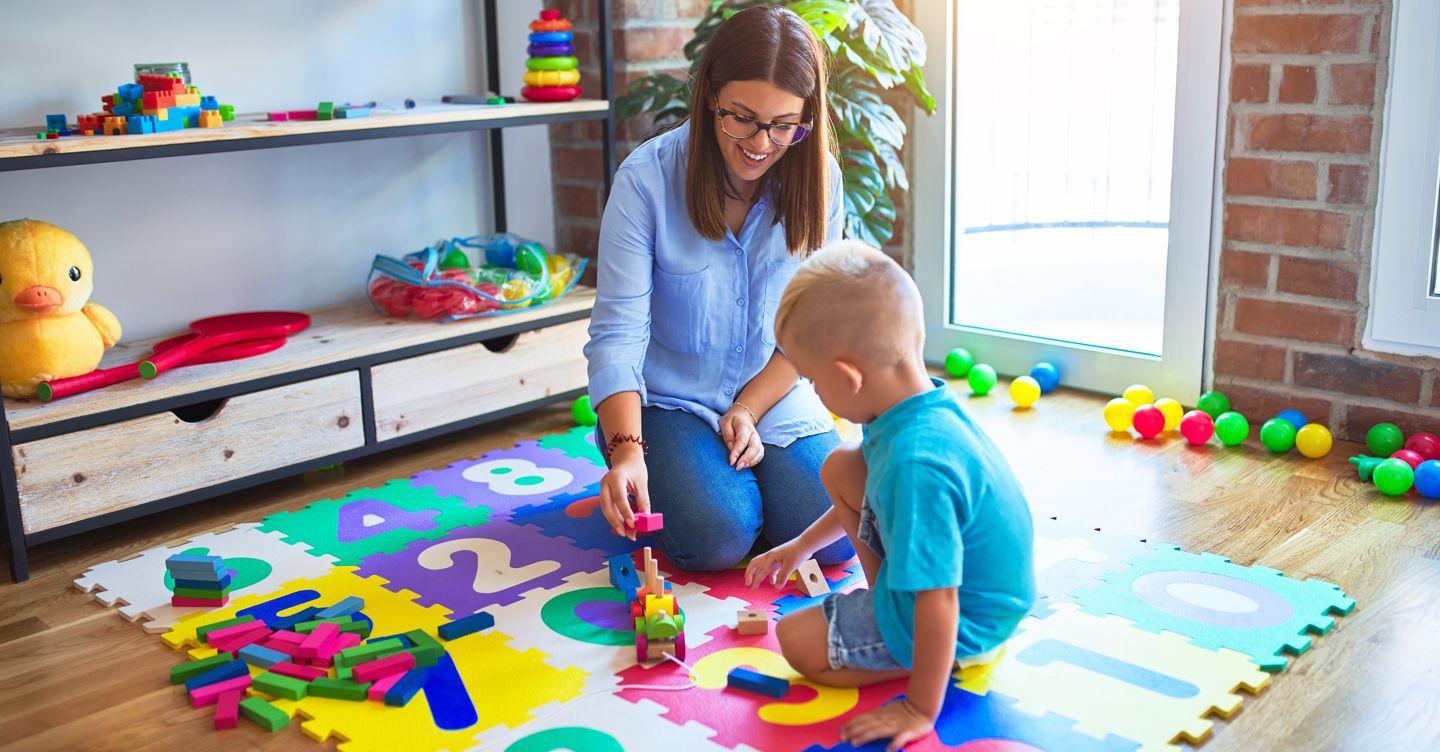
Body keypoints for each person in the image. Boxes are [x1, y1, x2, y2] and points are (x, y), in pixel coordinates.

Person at [584, 5, 853, 571]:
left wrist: (750, 410)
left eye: (784, 124)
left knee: (836, 535)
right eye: (744, 118)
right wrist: (627, 453)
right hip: (669, 399)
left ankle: (735, 482)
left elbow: (809, 332)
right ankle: (695, 479)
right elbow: (617, 336)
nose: (763, 142)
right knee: (717, 536)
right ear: (709, 94)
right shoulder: (646, 181)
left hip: (771, 393)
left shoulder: (816, 176)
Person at [746, 240, 1036, 751]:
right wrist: (800, 547)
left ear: (846, 376)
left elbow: (938, 595)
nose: (814, 392)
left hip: (965, 616)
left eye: (813, 380)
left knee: (794, 643)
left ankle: (927, 661)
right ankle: (888, 609)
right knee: (839, 466)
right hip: (979, 591)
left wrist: (919, 707)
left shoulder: (916, 465)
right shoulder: (917, 405)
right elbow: (864, 482)